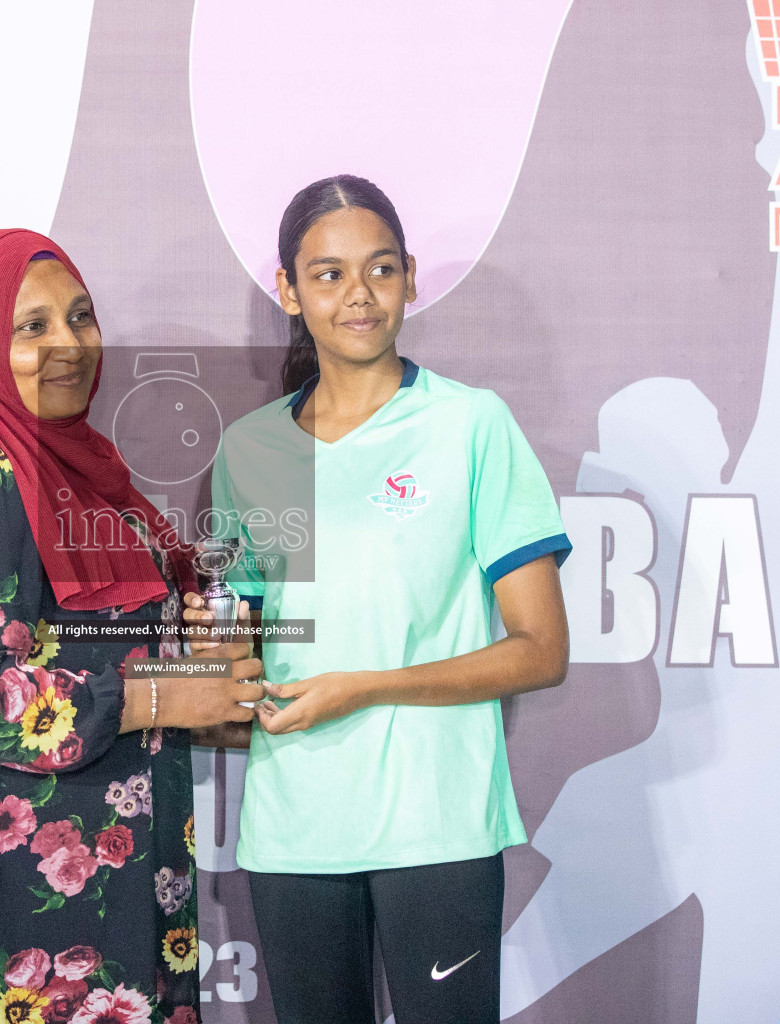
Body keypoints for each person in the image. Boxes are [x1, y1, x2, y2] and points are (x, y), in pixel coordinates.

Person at [186, 175, 571, 1024]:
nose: (358, 295)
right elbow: (244, 644)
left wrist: (365, 686)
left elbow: (540, 650)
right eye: (327, 274)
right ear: (288, 290)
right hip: (294, 829)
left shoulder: (470, 426)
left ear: (409, 279)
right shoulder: (250, 450)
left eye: (381, 269)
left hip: (436, 824)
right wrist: (201, 667)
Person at [0, 228, 262, 1024]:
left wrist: (214, 676)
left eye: (80, 318)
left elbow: (119, 649)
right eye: (32, 326)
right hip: (4, 899)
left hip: (107, 874)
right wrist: (161, 697)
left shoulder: (84, 472)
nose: (69, 345)